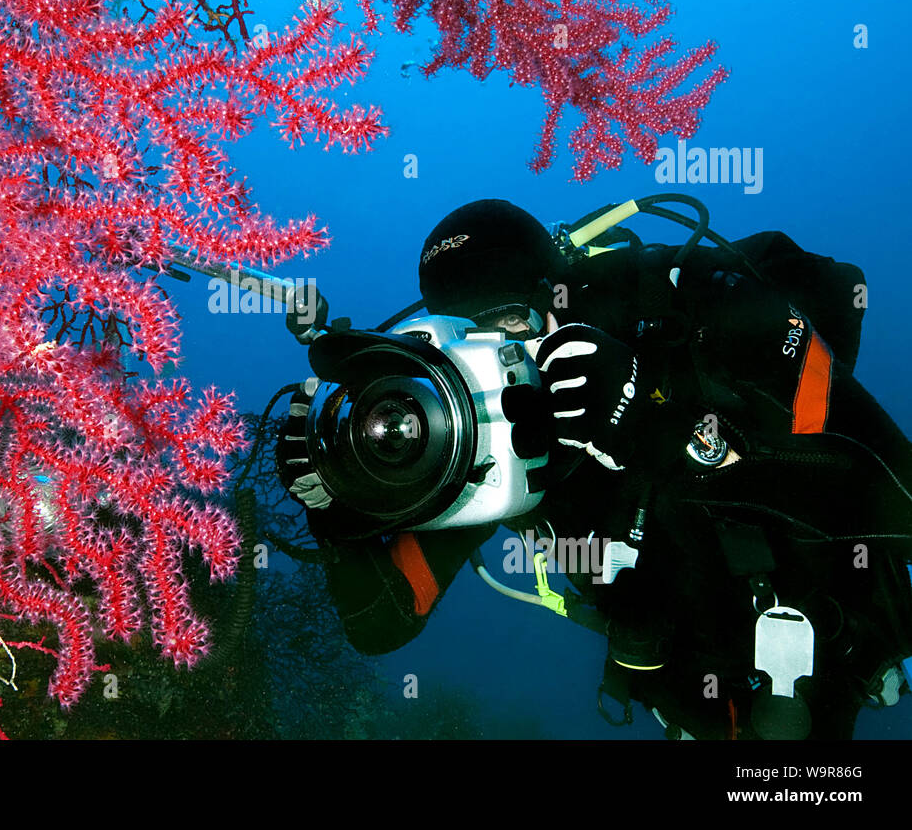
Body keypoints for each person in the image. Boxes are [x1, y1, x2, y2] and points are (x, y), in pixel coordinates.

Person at [277, 197, 912, 739]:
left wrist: (661, 422)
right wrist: (332, 513)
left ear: (559, 303)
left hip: (837, 636)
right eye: (461, 339)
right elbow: (382, 623)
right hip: (698, 702)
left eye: (508, 326)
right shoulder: (480, 442)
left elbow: (892, 497)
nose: (491, 366)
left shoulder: (671, 326)